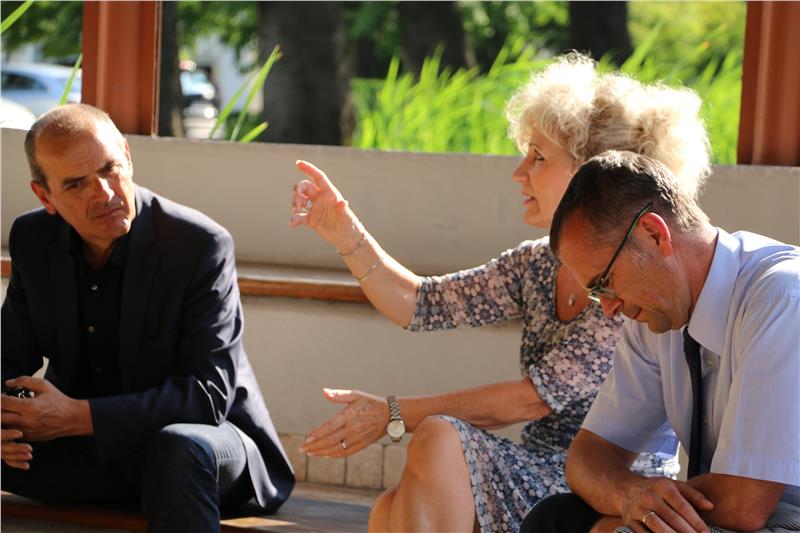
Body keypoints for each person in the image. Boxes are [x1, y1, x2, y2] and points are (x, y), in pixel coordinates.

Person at [288, 54, 711, 532]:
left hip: (610, 486)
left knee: (438, 440)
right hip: (538, 467)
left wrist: (392, 413)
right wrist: (343, 232)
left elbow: (533, 400)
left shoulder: (631, 281)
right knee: (391, 507)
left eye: (538, 157)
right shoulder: (536, 262)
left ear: (592, 174)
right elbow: (422, 303)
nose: (518, 173)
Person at [1, 104, 294, 532]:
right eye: (76, 184)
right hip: (89, 449)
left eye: (110, 169)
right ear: (45, 197)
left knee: (177, 449)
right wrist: (6, 421)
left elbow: (206, 397)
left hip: (203, 444)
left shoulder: (198, 244)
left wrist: (80, 416)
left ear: (127, 155)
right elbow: (8, 358)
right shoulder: (33, 238)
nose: (103, 193)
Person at [521, 151, 800, 533]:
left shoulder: (783, 297)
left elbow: (745, 504)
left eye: (605, 283)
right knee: (554, 518)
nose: (609, 308)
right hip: (739, 515)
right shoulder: (655, 315)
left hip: (784, 517)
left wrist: (626, 518)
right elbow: (588, 456)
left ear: (654, 234)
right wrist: (628, 498)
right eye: (596, 295)